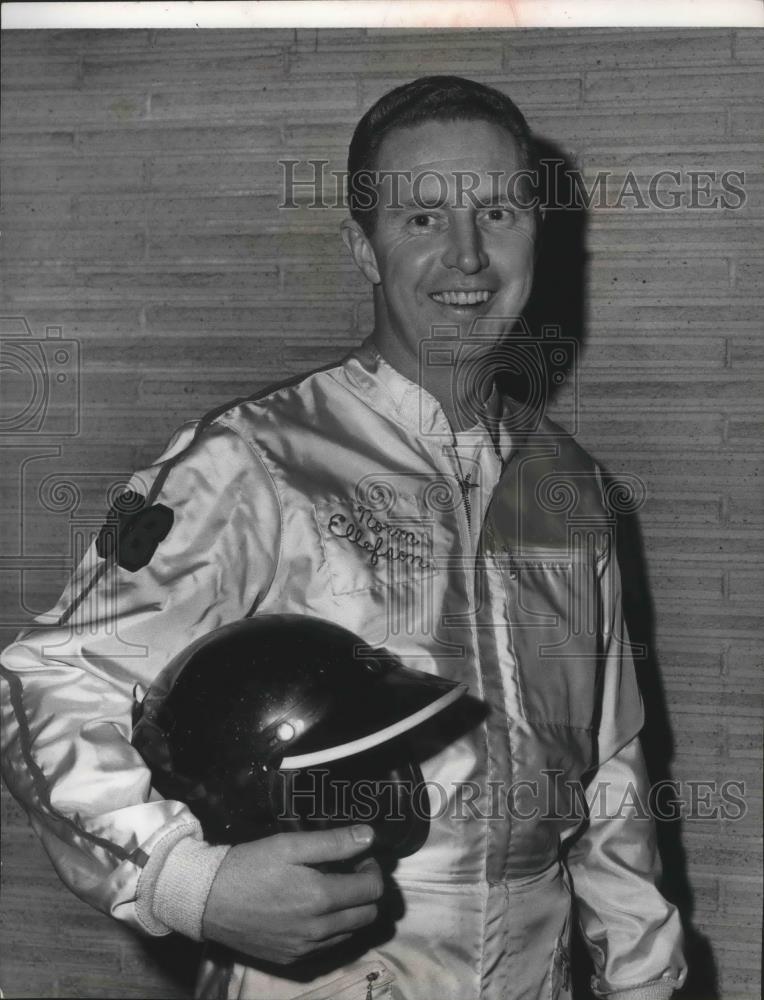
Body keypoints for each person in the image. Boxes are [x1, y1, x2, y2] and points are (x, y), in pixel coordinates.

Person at [1, 76, 687, 1000]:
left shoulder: (571, 486)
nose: (468, 256)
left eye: (499, 212)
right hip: (331, 968)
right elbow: (44, 678)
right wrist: (188, 881)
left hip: (535, 971)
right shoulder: (251, 461)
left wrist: (646, 975)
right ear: (361, 249)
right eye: (420, 220)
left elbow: (610, 770)